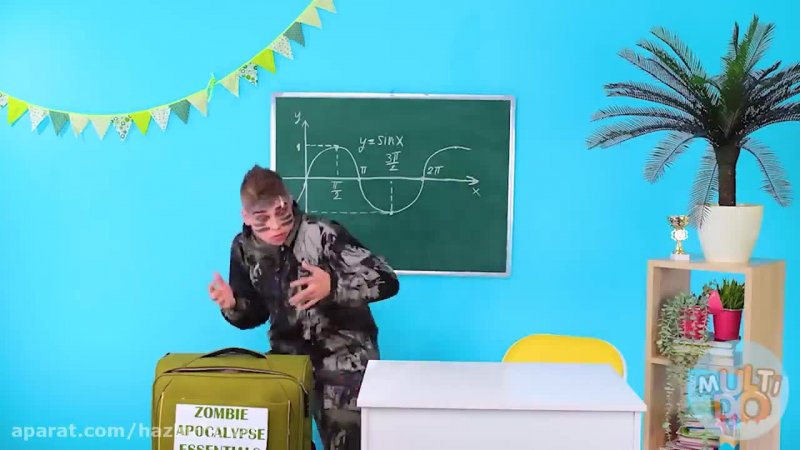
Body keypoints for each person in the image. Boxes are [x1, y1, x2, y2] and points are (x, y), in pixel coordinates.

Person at [208, 165, 399, 450]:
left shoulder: (322, 233)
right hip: (289, 359)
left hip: (344, 359)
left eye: (282, 214)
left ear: (289, 201)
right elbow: (255, 313)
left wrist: (332, 285)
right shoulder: (243, 248)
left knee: (346, 441)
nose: (275, 227)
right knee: (275, 434)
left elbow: (387, 280)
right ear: (246, 217)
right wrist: (233, 304)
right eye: (262, 220)